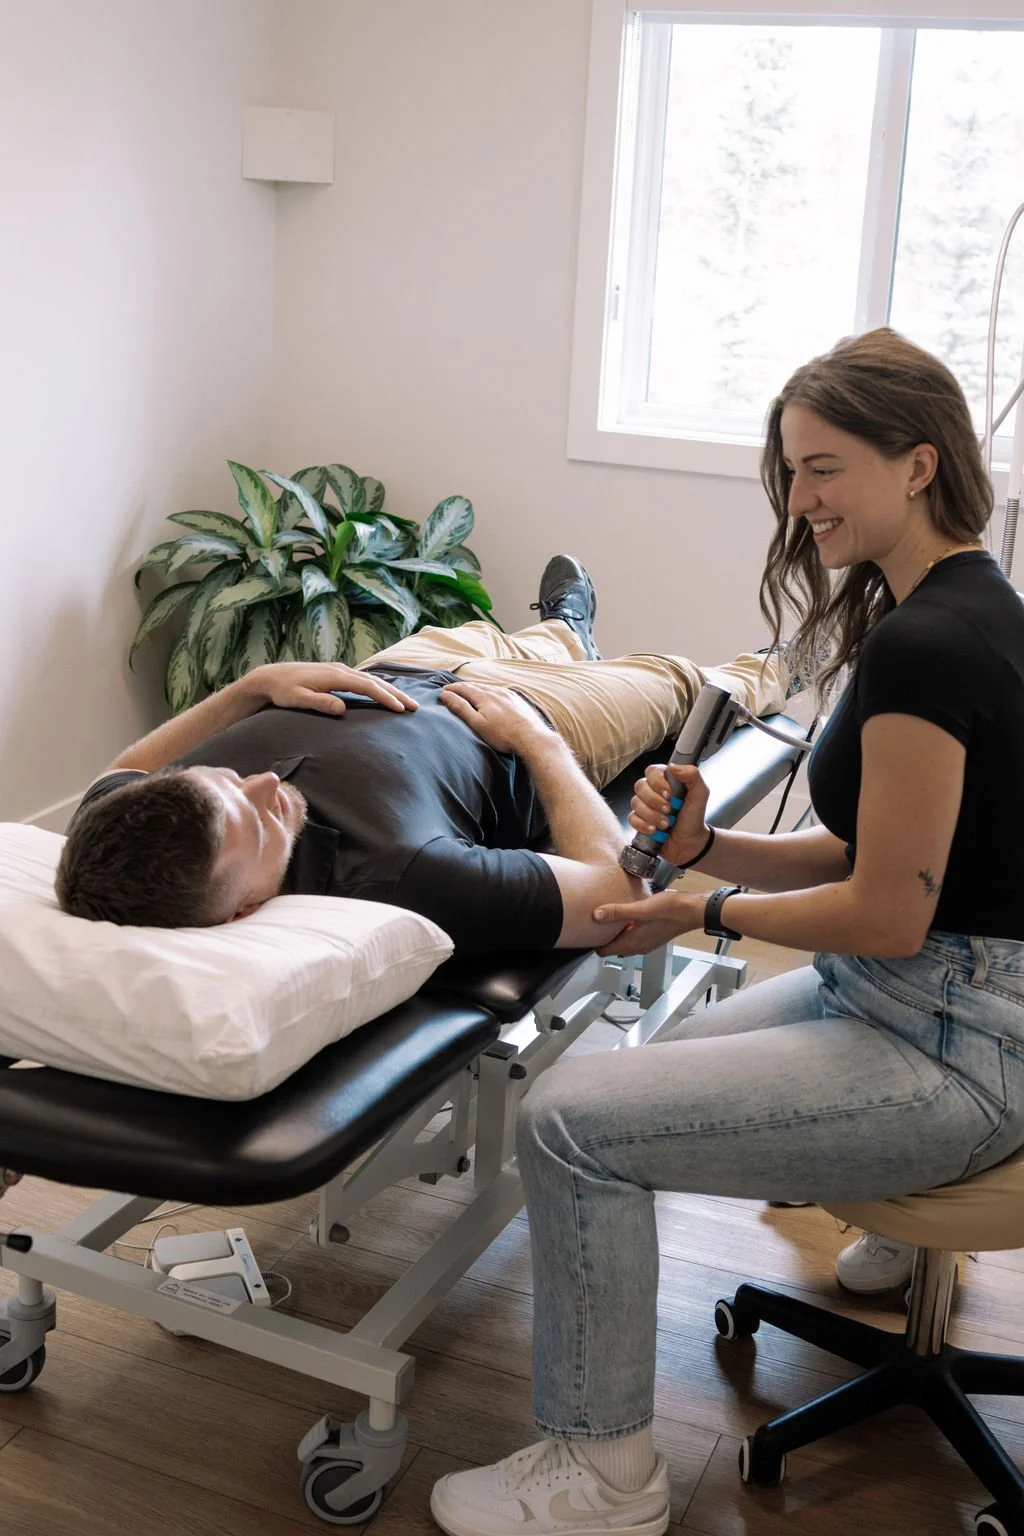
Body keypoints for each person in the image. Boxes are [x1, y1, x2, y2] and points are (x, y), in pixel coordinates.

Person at [428, 328, 1024, 1536]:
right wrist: (711, 848)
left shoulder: (925, 643)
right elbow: (880, 858)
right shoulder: (969, 602)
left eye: (823, 469)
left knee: (568, 1127)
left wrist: (699, 907)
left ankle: (601, 1478)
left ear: (917, 465)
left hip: (949, 1041)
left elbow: (886, 909)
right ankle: (903, 1248)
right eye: (791, 472)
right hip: (929, 998)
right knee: (645, 1084)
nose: (798, 501)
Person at [55, 556, 785, 956]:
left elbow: (120, 772)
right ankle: (780, 664)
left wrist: (253, 687)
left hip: (398, 669)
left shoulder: (118, 829)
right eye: (256, 822)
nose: (264, 784)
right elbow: (619, 897)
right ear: (243, 905)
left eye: (226, 779)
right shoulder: (400, 876)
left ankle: (565, 635)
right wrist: (536, 740)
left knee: (486, 632)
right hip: (535, 720)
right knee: (683, 677)